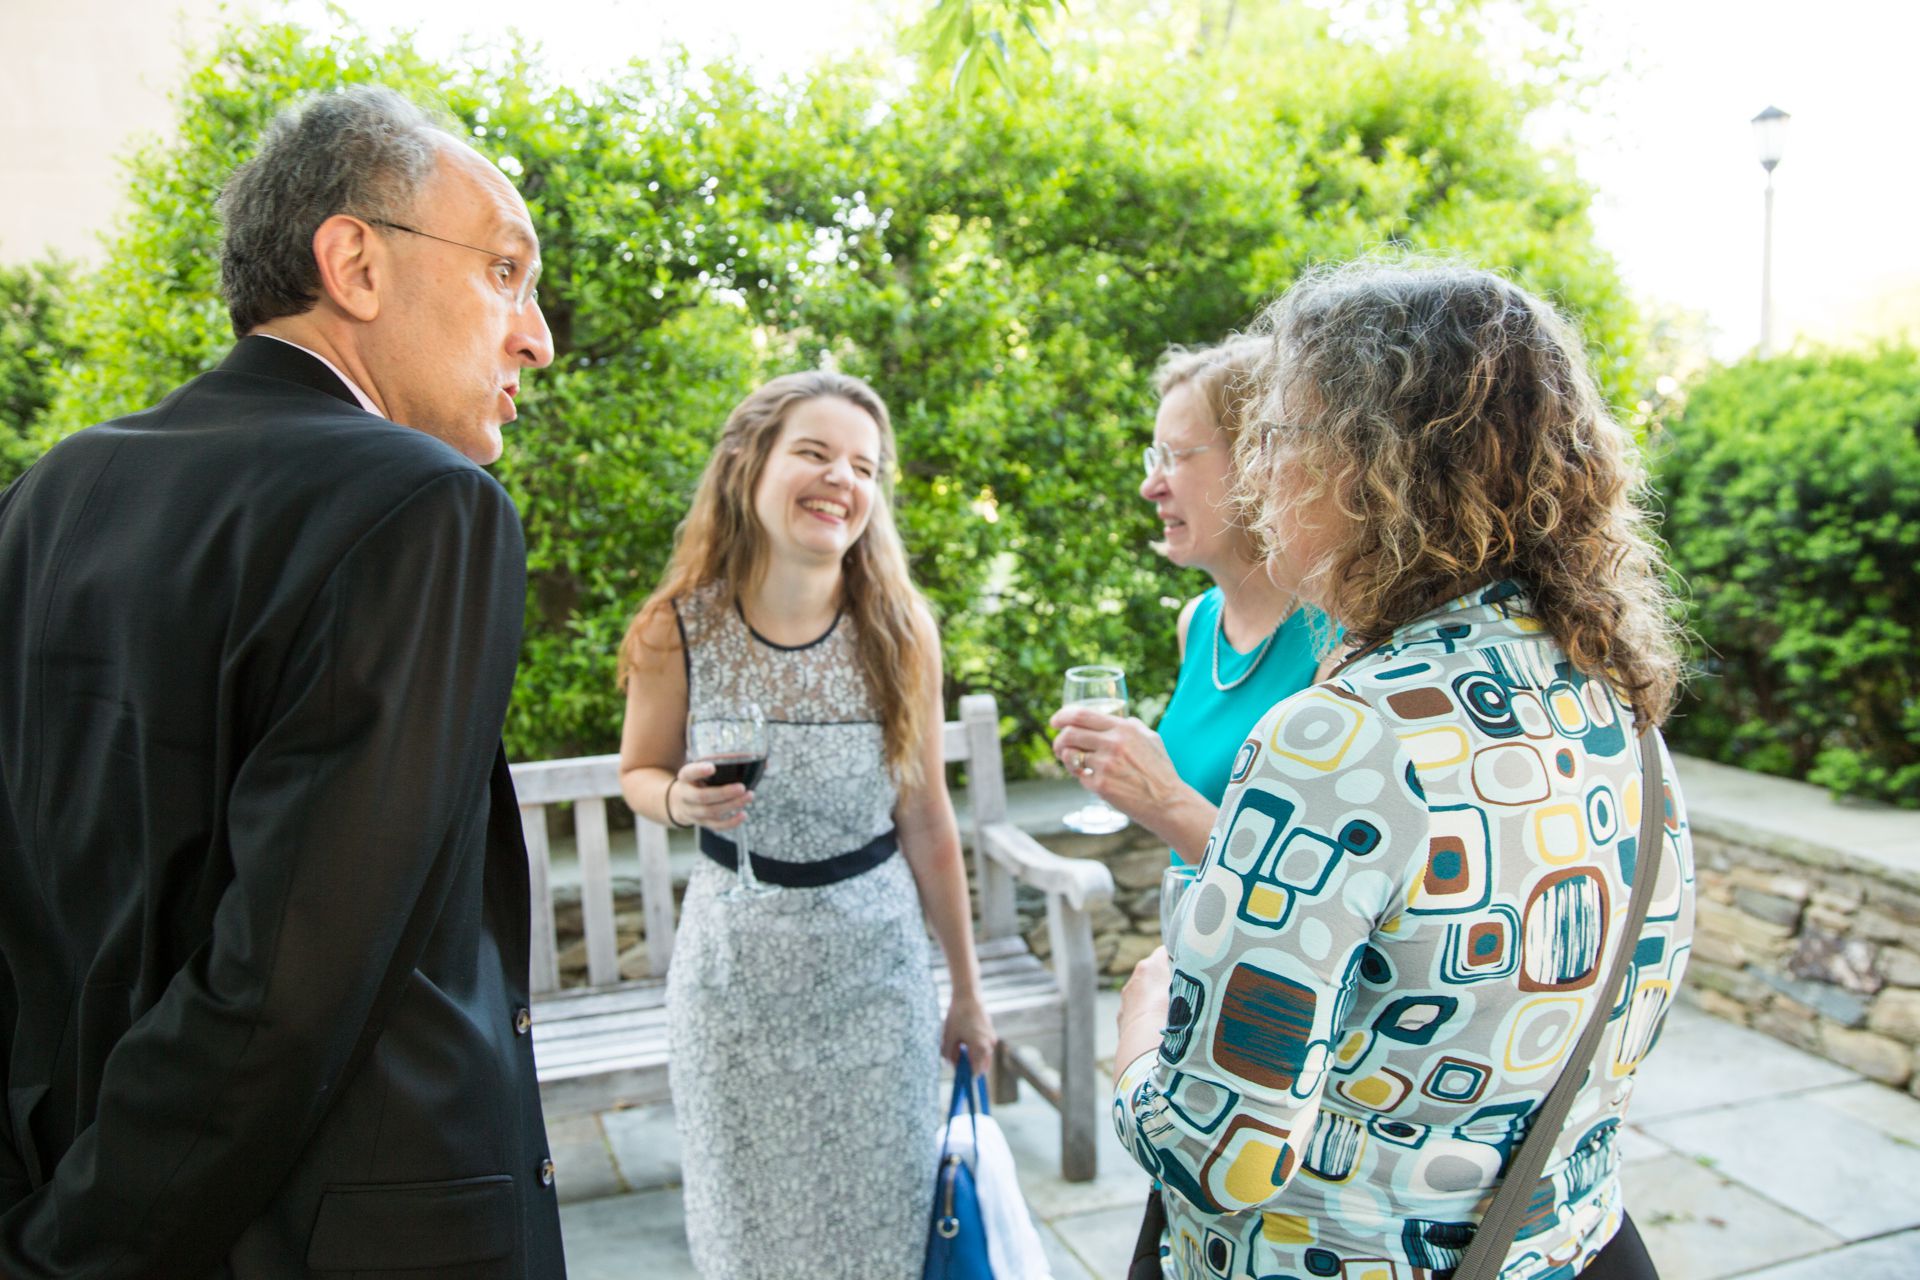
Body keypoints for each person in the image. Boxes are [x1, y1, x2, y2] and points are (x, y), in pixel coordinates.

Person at [0, 87, 564, 1276]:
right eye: (507, 271)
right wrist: (74, 1256)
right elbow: (290, 986)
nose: (536, 335)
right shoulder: (427, 504)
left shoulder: (50, 494)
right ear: (354, 261)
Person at [1112, 262, 1696, 1280]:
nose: (1258, 474)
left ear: (1374, 463)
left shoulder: (1344, 737)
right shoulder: (1612, 700)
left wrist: (1136, 1039)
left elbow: (1219, 1153)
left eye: (1280, 436)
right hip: (1575, 1249)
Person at [617, 371, 995, 1279]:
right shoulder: (678, 627)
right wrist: (677, 801)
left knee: (888, 1228)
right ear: (751, 465)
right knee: (749, 1233)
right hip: (733, 984)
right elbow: (637, 771)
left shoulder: (900, 631)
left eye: (864, 466)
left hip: (879, 981)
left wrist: (968, 992)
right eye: (816, 454)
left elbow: (928, 820)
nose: (842, 480)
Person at [1050, 338, 1334, 866]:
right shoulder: (1197, 623)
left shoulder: (1338, 638)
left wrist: (1160, 798)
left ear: (1258, 457)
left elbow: (1310, 881)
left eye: (1175, 457)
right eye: (1151, 458)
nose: (1149, 487)